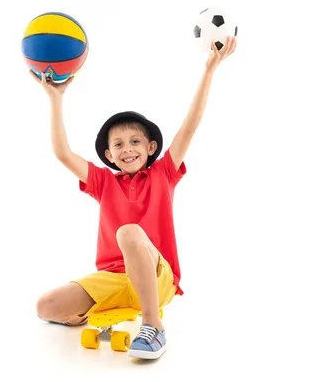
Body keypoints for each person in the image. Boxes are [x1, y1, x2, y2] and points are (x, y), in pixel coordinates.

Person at [31, 37, 237, 359]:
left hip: (158, 278)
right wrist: (56, 98)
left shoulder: (163, 173)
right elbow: (62, 153)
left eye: (135, 141)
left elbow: (190, 126)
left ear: (151, 148)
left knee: (128, 231)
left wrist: (209, 69)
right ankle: (105, 306)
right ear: (109, 155)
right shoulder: (102, 181)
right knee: (46, 306)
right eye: (119, 145)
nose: (127, 149)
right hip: (113, 279)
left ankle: (153, 327)